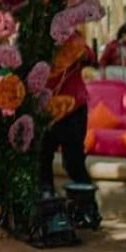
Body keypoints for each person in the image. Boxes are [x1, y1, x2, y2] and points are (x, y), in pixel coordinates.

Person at [40, 30, 95, 197]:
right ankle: (47, 206)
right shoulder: (33, 35)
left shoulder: (69, 31)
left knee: (73, 162)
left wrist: (76, 52)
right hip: (44, 109)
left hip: (73, 107)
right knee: (42, 161)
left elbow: (89, 56)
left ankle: (86, 207)